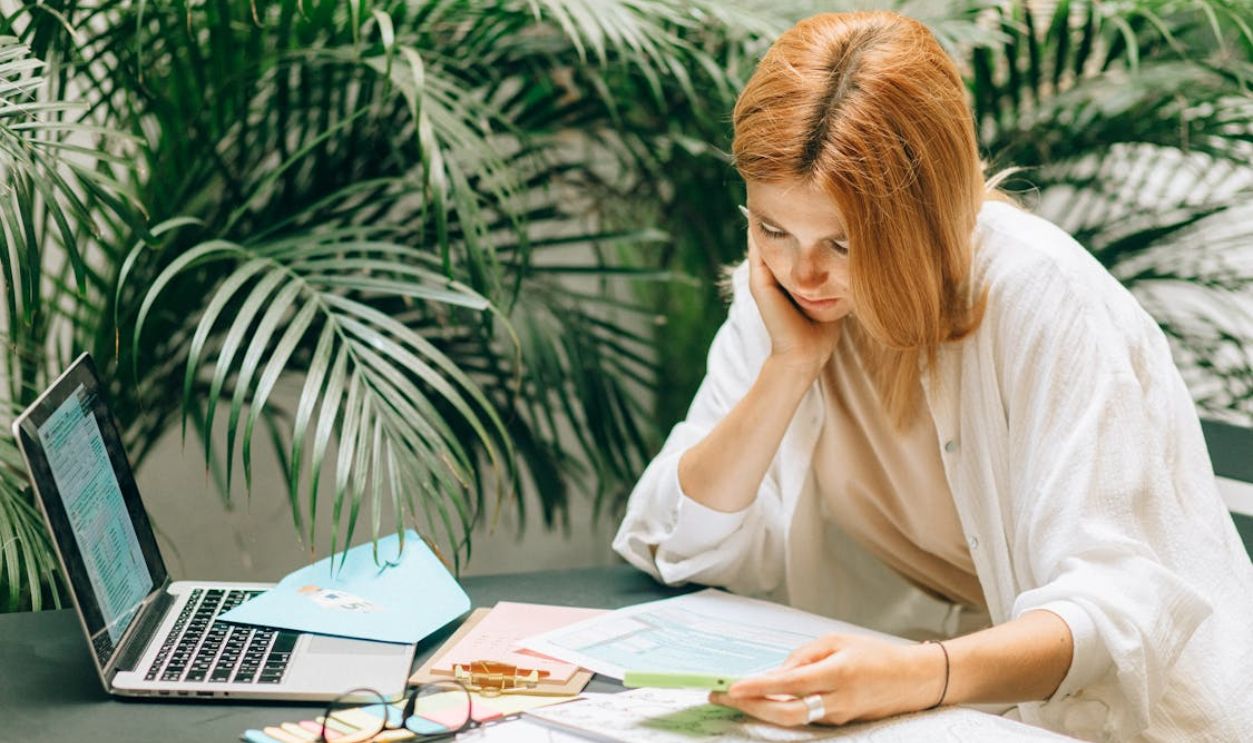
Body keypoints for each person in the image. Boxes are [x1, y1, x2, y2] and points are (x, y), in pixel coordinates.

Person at [612, 10, 1253, 741]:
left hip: (1107, 720)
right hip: (921, 704)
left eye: (844, 241)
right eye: (770, 228)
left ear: (923, 217)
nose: (802, 270)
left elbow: (1114, 612)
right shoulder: (789, 299)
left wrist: (918, 674)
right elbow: (681, 540)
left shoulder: (1043, 299)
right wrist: (788, 367)